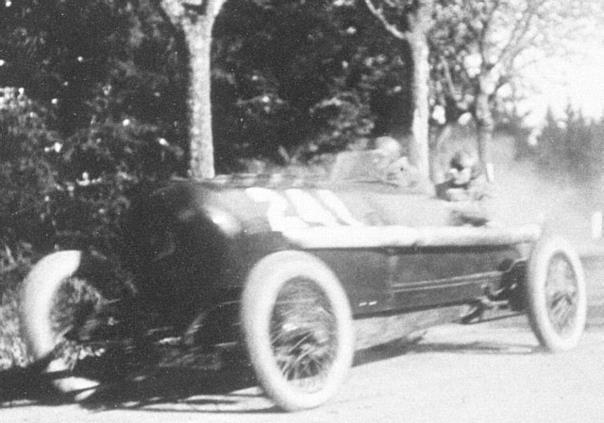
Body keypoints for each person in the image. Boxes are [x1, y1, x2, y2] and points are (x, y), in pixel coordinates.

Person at [435, 150, 492, 226]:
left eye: (460, 168)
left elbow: (486, 211)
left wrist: (452, 206)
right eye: (453, 167)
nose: (454, 172)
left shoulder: (483, 188)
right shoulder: (444, 188)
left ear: (472, 170)